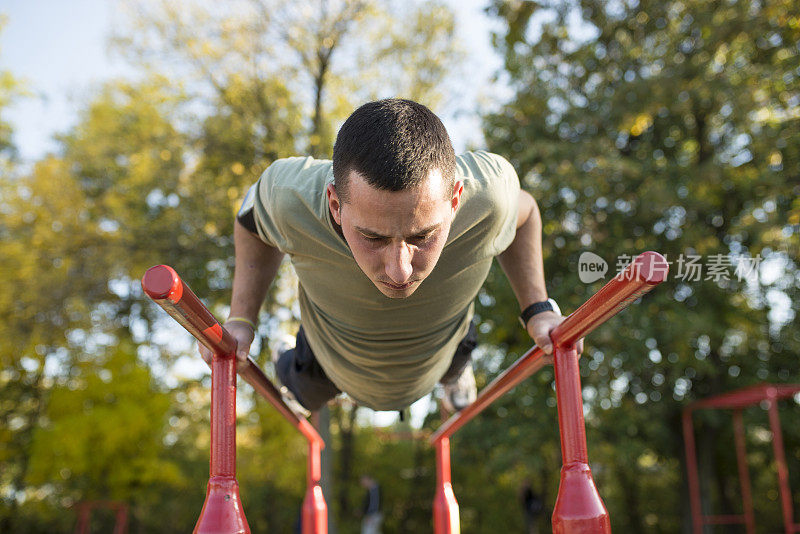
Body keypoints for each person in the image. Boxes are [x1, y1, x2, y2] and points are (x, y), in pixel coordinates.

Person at [199, 98, 582, 414]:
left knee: (460, 346)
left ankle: (455, 373)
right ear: (335, 204)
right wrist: (241, 318)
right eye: (373, 237)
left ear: (454, 200)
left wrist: (538, 308)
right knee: (303, 392)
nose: (399, 272)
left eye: (422, 235)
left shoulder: (490, 194)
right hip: (329, 357)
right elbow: (250, 223)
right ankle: (290, 358)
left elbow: (525, 212)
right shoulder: (289, 196)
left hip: (444, 345)